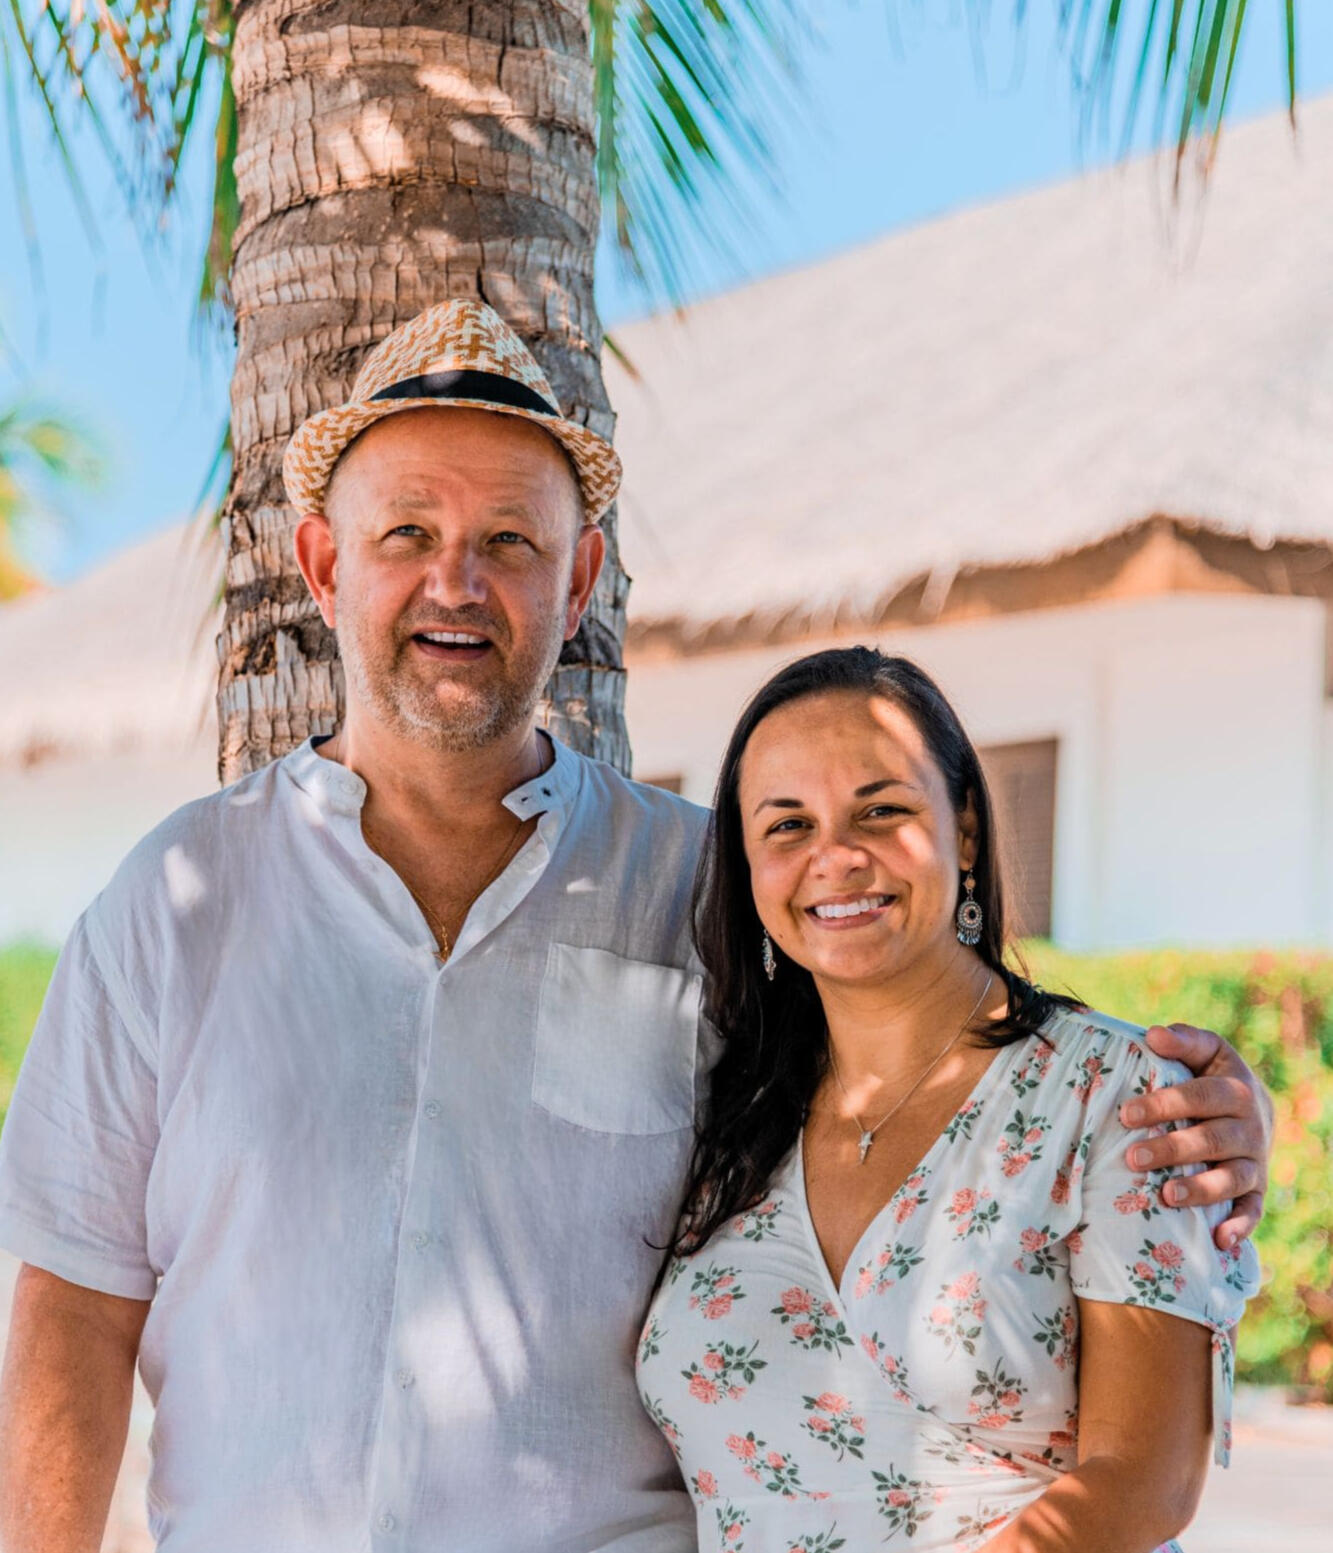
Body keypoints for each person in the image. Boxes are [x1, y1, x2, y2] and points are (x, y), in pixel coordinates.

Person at [0, 301, 1270, 1553]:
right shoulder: (174, 903)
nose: (458, 581)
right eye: (408, 533)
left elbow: (930, 1070)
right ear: (326, 565)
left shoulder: (705, 888)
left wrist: (1199, 1112)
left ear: (579, 581)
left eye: (510, 539)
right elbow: (73, 1304)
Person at [637, 648, 1260, 1553]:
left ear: (964, 830)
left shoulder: (1114, 1093)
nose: (835, 856)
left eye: (880, 810)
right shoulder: (725, 1104)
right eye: (787, 824)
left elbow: (1144, 1481)